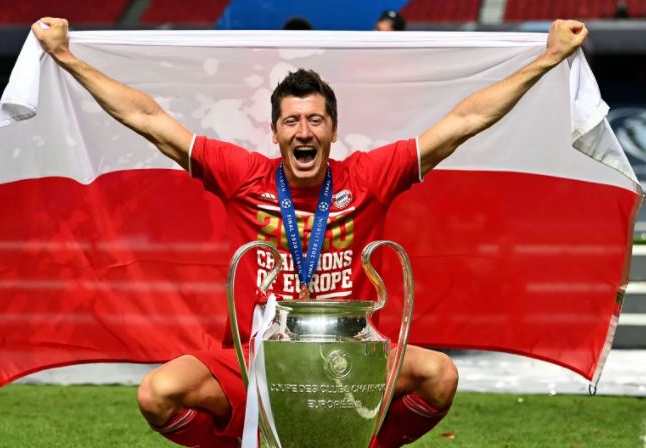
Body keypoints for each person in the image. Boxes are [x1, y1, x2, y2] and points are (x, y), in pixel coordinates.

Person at [31, 18, 588, 447]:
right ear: (274, 131)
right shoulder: (242, 175)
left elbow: (463, 122)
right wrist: (65, 57)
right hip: (260, 359)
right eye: (292, 120)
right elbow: (149, 119)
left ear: (333, 130)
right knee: (158, 394)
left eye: (315, 120)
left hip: (348, 360)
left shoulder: (368, 177)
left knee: (439, 376)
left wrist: (547, 58)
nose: (304, 131)